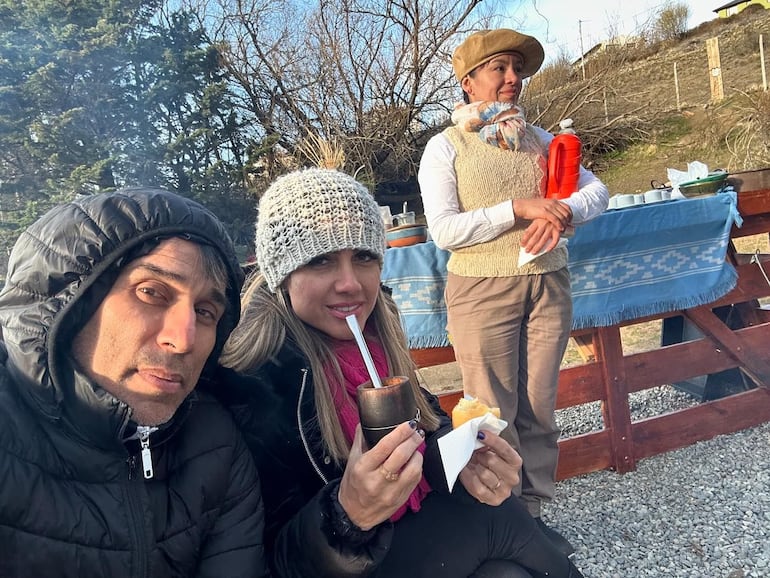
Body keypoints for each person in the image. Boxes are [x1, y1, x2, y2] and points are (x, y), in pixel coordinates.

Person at [212, 168, 584, 578]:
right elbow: (267, 560)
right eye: (321, 261)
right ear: (284, 275)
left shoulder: (376, 341)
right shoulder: (254, 383)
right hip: (341, 563)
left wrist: (465, 459)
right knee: (493, 521)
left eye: (364, 257)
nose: (350, 284)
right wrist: (346, 514)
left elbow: (425, 433)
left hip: (402, 539)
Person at [0, 188, 269, 577]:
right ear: (72, 301)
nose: (184, 339)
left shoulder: (216, 447)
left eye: (205, 311)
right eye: (152, 292)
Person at [418, 28, 609, 556]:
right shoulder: (444, 147)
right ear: (468, 81)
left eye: (517, 69)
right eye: (499, 68)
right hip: (481, 288)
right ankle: (501, 520)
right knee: (492, 413)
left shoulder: (541, 139)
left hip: (548, 283)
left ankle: (534, 513)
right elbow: (444, 230)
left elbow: (598, 190)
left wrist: (567, 208)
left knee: (540, 405)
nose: (512, 78)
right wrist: (520, 208)